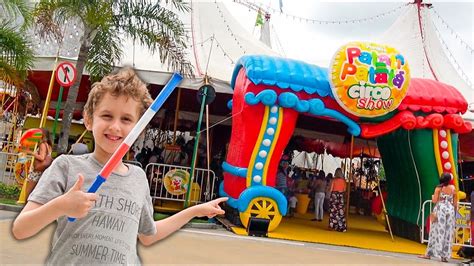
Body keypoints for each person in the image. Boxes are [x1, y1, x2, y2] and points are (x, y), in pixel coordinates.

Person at [12, 68, 227, 265]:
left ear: (139, 127)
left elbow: (148, 235)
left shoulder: (138, 178)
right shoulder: (67, 167)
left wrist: (195, 211)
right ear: (89, 119)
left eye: (126, 119)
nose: (115, 127)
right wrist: (61, 206)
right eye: (106, 116)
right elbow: (21, 229)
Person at [420, 172, 457, 263]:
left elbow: (435, 200)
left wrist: (433, 197)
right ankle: (444, 256)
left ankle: (429, 253)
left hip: (440, 209)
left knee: (436, 231)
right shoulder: (453, 188)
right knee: (448, 232)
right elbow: (455, 203)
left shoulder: (438, 188)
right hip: (450, 210)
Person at [24, 128, 53, 198]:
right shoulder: (48, 145)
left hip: (37, 171)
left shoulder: (42, 144)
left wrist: (31, 152)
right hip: (42, 171)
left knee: (28, 193)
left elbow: (42, 157)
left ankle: (27, 208)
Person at [328, 168, 347, 232]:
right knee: (340, 212)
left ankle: (332, 225)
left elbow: (330, 189)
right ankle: (341, 226)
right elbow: (344, 190)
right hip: (340, 196)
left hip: (334, 196)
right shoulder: (343, 181)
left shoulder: (333, 180)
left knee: (333, 211)